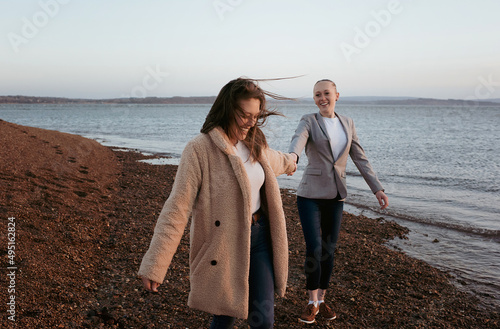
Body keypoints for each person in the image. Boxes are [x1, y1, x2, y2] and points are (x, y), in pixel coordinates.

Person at [138, 77, 297, 329]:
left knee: (263, 320)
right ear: (227, 109)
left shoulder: (254, 143)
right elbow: (176, 209)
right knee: (225, 316)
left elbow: (274, 160)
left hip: (260, 237)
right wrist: (155, 265)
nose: (250, 122)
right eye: (244, 115)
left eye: (255, 116)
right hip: (226, 243)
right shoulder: (199, 150)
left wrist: (292, 161)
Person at [288, 79, 389, 324]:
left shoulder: (348, 123)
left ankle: (322, 299)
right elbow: (297, 140)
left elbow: (360, 158)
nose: (322, 98)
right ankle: (311, 302)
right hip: (309, 195)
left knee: (329, 251)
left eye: (326, 93)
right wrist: (292, 157)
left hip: (336, 196)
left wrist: (377, 189)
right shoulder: (309, 120)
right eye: (317, 95)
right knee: (314, 248)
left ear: (337, 95)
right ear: (314, 99)